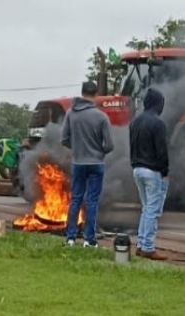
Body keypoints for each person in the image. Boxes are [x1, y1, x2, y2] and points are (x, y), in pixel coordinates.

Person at [62, 81, 114, 248]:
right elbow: (110, 145)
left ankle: (70, 238)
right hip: (96, 163)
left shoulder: (71, 113)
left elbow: (64, 139)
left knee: (75, 199)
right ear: (96, 94)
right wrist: (98, 152)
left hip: (78, 163)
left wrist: (77, 148)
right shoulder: (101, 116)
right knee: (92, 201)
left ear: (82, 92)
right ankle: (88, 239)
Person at [130, 87, 169, 261]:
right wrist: (165, 171)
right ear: (158, 104)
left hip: (137, 169)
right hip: (152, 171)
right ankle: (147, 247)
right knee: (153, 210)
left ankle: (140, 244)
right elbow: (162, 151)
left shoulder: (135, 122)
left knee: (146, 209)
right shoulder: (158, 124)